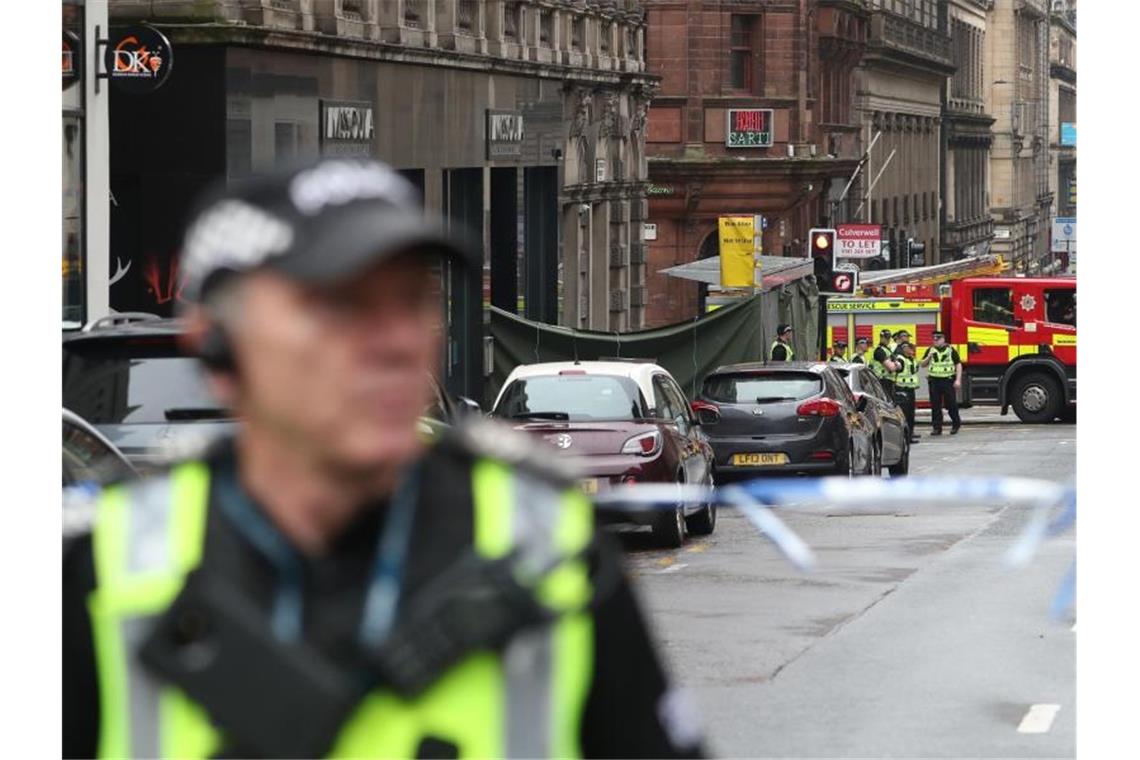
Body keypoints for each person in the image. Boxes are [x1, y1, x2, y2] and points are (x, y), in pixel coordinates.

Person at [63, 159, 705, 759]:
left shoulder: (548, 548)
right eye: (341, 305)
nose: (397, 341)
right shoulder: (106, 570)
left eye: (411, 301)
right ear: (219, 346)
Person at [920, 330, 963, 435]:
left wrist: (958, 380)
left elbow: (958, 364)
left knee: (951, 404)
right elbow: (922, 364)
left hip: (947, 380)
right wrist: (929, 356)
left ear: (943, 339)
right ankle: (937, 427)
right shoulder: (930, 350)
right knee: (935, 405)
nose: (935, 341)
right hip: (934, 381)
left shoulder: (950, 350)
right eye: (934, 339)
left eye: (938, 339)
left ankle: (955, 424)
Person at [892, 342, 921, 443]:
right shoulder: (901, 359)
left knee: (910, 415)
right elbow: (897, 368)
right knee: (904, 415)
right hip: (902, 390)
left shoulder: (911, 359)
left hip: (910, 389)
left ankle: (909, 436)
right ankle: (904, 437)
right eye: (910, 348)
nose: (912, 350)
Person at [869, 328, 901, 396]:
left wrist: (896, 364)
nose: (888, 340)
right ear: (881, 337)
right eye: (886, 338)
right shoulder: (879, 351)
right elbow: (891, 367)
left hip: (888, 381)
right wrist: (896, 365)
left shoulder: (887, 350)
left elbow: (899, 366)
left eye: (889, 338)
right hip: (881, 381)